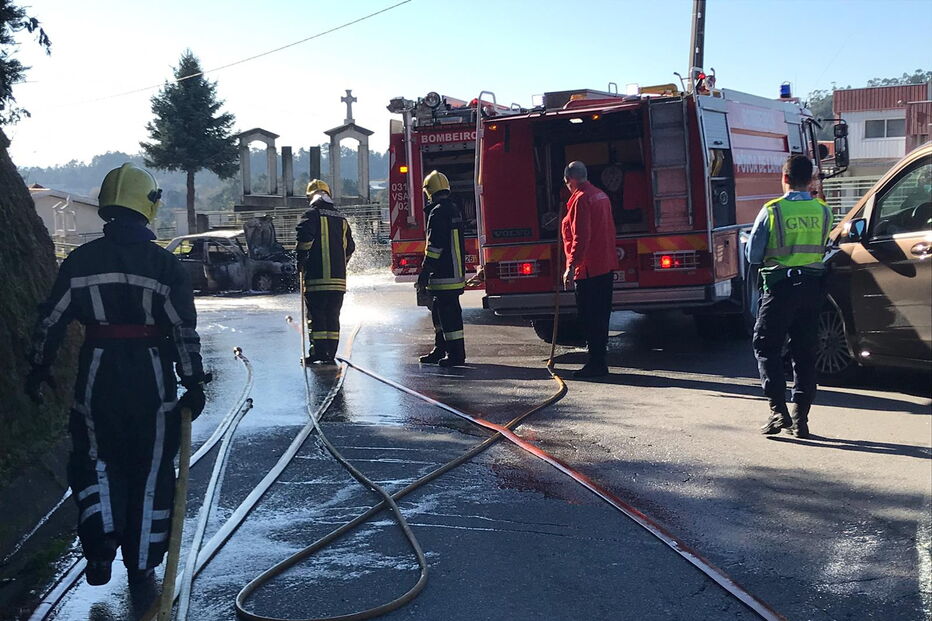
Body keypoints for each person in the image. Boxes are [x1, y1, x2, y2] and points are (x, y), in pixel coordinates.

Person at [25, 163, 207, 586]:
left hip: (98, 371)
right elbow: (183, 330)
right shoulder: (165, 266)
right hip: (152, 376)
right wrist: (193, 382)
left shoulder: (80, 261)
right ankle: (142, 559)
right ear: (147, 206)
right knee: (152, 467)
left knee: (95, 460)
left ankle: (101, 546)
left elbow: (50, 321)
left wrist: (39, 367)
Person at [747, 154, 832, 439]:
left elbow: (753, 255)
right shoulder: (823, 210)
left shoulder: (773, 210)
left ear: (784, 178)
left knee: (766, 346)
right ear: (810, 180)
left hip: (780, 288)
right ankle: (801, 420)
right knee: (804, 353)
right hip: (812, 289)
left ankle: (777, 411)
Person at [561, 161, 617, 378]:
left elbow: (580, 237)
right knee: (601, 315)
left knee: (590, 317)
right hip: (604, 264)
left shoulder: (581, 199)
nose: (567, 186)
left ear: (571, 179)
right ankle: (599, 361)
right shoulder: (600, 195)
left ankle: (596, 364)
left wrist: (572, 265)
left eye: (566, 183)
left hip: (589, 269)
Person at [295, 179, 355, 365]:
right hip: (338, 281)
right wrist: (340, 264)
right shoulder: (341, 219)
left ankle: (319, 352)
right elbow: (350, 248)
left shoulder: (310, 215)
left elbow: (305, 240)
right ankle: (330, 353)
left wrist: (301, 260)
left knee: (317, 316)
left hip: (316, 279)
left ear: (310, 197)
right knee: (333, 316)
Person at [416, 170, 467, 367]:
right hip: (453, 273)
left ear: (429, 191)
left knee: (448, 315)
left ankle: (455, 355)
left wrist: (426, 270)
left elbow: (435, 246)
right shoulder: (453, 209)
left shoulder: (437, 212)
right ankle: (441, 349)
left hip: (443, 274)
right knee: (440, 312)